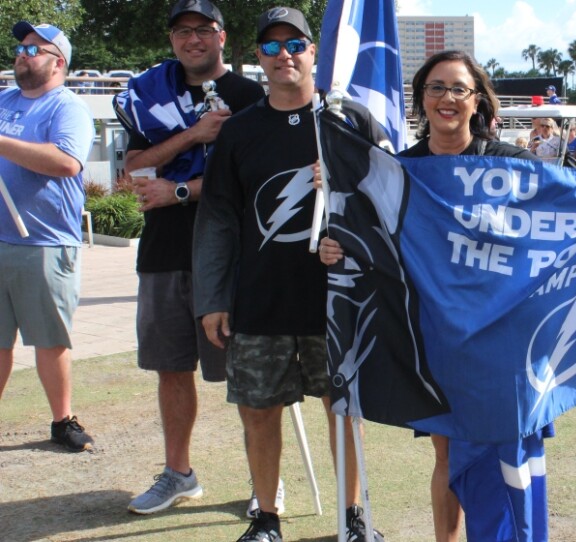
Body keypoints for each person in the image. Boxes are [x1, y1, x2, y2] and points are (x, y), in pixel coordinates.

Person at [319, 49, 540, 542]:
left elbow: (557, 221)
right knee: (447, 452)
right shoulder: (399, 170)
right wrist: (335, 245)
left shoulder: (514, 165)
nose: (446, 98)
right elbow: (368, 233)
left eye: (458, 88)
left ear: (477, 100)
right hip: (434, 338)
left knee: (505, 450)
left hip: (499, 338)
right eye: (435, 87)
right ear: (421, 98)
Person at [192, 7, 389, 542]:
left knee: (343, 413)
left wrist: (345, 183)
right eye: (272, 47)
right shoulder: (240, 133)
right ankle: (267, 518)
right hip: (259, 299)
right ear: (258, 56)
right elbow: (217, 221)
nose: (285, 55)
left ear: (313, 51)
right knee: (258, 413)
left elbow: (392, 204)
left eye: (294, 44)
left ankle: (353, 519)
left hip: (337, 301)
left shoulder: (349, 122)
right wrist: (211, 297)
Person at [112, 0, 266, 515]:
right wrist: (193, 136)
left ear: (222, 36)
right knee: (170, 369)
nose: (192, 39)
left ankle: (264, 481)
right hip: (162, 253)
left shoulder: (249, 95)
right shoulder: (153, 91)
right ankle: (179, 473)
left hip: (229, 255)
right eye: (182, 31)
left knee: (246, 374)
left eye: (203, 29)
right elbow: (134, 166)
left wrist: (178, 190)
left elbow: (254, 183)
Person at [0, 20, 95, 452]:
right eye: (21, 47)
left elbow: (66, 163)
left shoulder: (67, 107)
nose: (23, 54)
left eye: (34, 49)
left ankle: (62, 419)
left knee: (50, 339)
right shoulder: (3, 100)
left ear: (58, 62)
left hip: (43, 243)